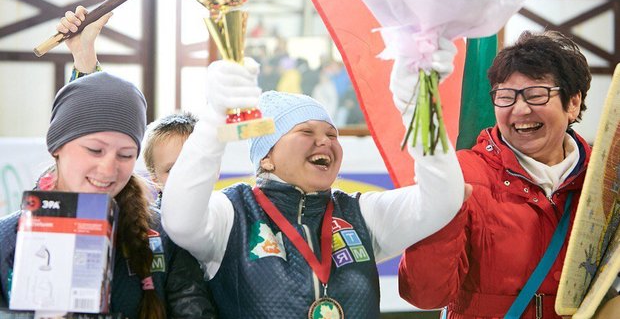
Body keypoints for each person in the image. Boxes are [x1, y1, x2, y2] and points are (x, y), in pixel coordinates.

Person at [160, 49, 470, 318]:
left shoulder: (359, 214)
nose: (324, 141)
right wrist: (215, 117)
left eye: (332, 134)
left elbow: (442, 199)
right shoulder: (234, 213)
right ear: (266, 157)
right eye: (306, 132)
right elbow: (180, 221)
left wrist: (419, 109)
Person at [0, 7, 218, 318]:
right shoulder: (8, 238)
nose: (108, 168)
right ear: (56, 147)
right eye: (94, 150)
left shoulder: (164, 233)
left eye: (125, 155)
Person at [396, 31, 593, 319]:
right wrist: (439, 214)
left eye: (536, 95)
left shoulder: (602, 179)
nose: (520, 109)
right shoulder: (460, 174)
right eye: (505, 97)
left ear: (572, 103)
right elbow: (425, 295)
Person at [143, 111, 198, 206]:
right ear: (155, 180)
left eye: (194, 166)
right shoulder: (150, 216)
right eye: (172, 170)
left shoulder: (223, 207)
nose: (185, 176)